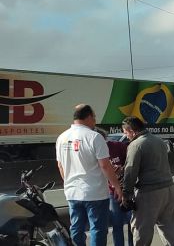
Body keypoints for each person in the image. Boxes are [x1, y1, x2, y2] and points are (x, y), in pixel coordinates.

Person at [56, 104, 124, 246]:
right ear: (88, 117)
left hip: (72, 193)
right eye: (94, 117)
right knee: (97, 229)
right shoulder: (94, 137)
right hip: (95, 193)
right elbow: (105, 165)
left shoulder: (61, 138)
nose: (95, 121)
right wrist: (116, 185)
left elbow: (60, 165)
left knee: (76, 228)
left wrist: (69, 183)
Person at [121, 116, 174, 246]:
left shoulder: (136, 145)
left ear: (132, 131)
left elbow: (130, 172)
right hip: (169, 190)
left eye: (126, 133)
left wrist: (126, 194)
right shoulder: (159, 141)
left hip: (149, 194)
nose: (126, 136)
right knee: (169, 229)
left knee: (141, 231)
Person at [95, 129, 133, 246]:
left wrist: (121, 168)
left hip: (126, 189)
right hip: (111, 191)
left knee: (132, 221)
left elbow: (131, 162)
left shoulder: (118, 146)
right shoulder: (93, 151)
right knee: (117, 223)